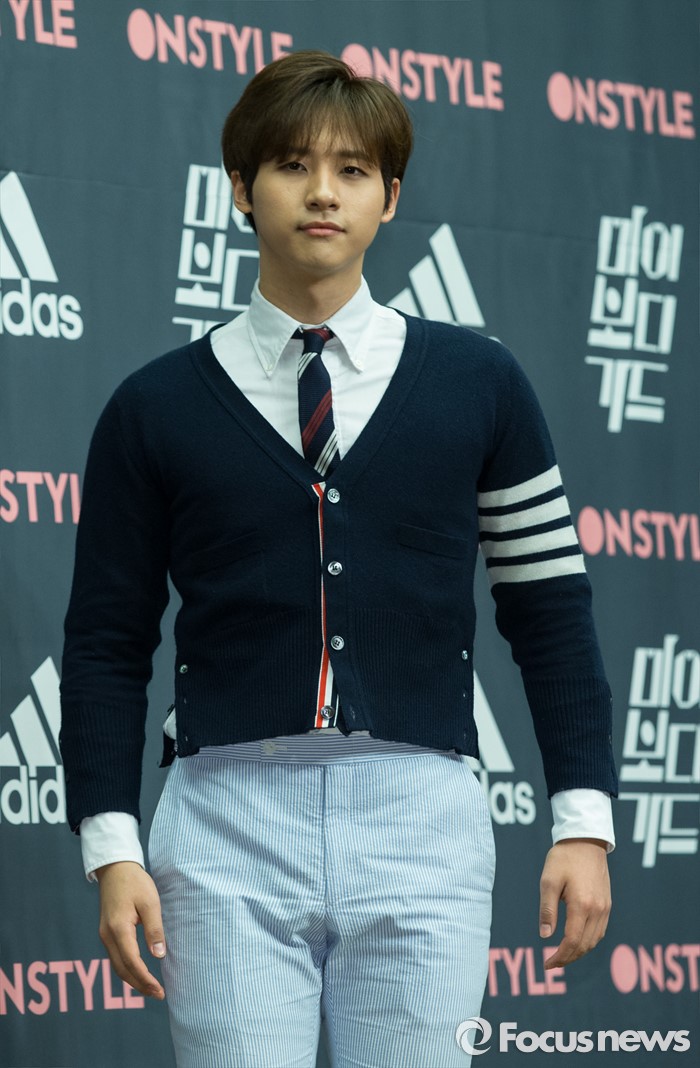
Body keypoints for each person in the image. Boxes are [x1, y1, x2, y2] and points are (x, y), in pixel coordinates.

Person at [60, 50, 618, 1068]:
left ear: (389, 197)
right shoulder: (154, 407)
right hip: (224, 823)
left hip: (423, 821)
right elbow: (105, 640)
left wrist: (583, 822)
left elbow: (549, 609)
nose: (323, 192)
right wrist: (111, 844)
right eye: (292, 165)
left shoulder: (481, 384)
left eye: (353, 170)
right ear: (240, 187)